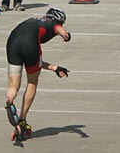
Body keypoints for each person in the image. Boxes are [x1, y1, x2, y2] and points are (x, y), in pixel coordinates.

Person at [4, 8, 71, 138]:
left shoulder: (35, 20)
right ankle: (22, 120)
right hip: (30, 44)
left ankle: (9, 101)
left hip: (13, 40)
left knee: (13, 86)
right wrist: (66, 34)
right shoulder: (54, 23)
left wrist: (54, 67)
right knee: (32, 82)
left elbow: (38, 62)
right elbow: (58, 28)